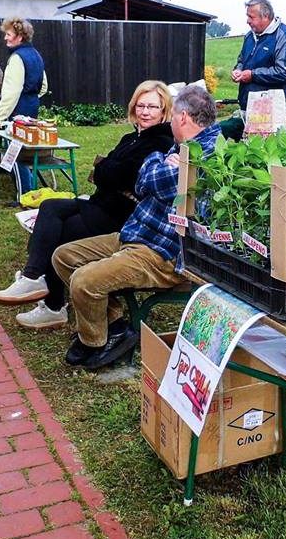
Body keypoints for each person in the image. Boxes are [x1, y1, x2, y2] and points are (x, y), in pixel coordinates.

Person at [52, 86, 220, 370]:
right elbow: (145, 183)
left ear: (181, 117)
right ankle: (116, 325)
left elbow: (150, 182)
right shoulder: (184, 144)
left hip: (161, 254)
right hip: (137, 235)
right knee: (63, 257)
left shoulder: (202, 153)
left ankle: (95, 343)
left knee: (84, 280)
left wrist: (157, 164)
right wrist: (159, 164)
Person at [0, 80, 176, 330]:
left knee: (61, 234)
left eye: (152, 107)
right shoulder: (130, 137)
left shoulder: (162, 142)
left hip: (121, 214)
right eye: (141, 105)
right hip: (100, 202)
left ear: (164, 110)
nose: (145, 112)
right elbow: (105, 173)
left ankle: (54, 306)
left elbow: (122, 176)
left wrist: (107, 169)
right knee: (49, 207)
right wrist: (108, 170)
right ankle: (32, 276)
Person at [222, 0, 286, 141]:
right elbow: (241, 60)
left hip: (269, 111)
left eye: (251, 17)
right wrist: (238, 70)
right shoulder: (249, 36)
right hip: (247, 105)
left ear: (265, 16)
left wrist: (253, 75)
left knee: (262, 154)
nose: (247, 21)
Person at [0, 17, 46, 194]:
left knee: (16, 154)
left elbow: (11, 92)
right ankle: (28, 189)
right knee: (25, 151)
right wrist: (31, 97)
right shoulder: (36, 55)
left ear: (19, 37)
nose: (5, 38)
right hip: (32, 106)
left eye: (8, 34)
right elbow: (44, 86)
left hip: (18, 110)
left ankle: (24, 194)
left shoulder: (17, 58)